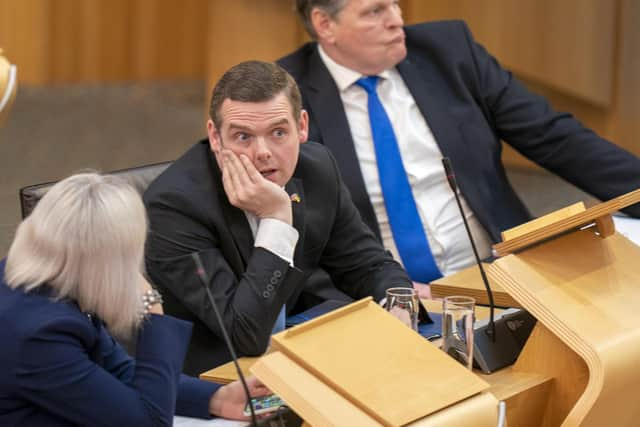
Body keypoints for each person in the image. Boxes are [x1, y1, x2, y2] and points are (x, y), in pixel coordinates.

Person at [278, 0, 640, 296]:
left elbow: (556, 138)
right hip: (390, 301)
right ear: (325, 24)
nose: (397, 20)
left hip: (503, 274)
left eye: (396, 4)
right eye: (375, 11)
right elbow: (296, 232)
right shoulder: (286, 98)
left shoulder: (449, 51)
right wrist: (381, 296)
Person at [144, 60, 412, 376]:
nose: (263, 153)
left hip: (299, 357)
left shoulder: (316, 168)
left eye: (278, 133)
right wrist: (276, 220)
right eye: (243, 137)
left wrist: (399, 306)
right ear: (215, 137)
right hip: (219, 379)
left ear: (302, 126)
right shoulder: (174, 205)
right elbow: (243, 334)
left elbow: (368, 265)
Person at [0, 173, 270, 426]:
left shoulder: (39, 277)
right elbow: (148, 422)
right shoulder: (38, 334)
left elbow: (114, 370)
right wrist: (153, 310)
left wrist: (215, 398)